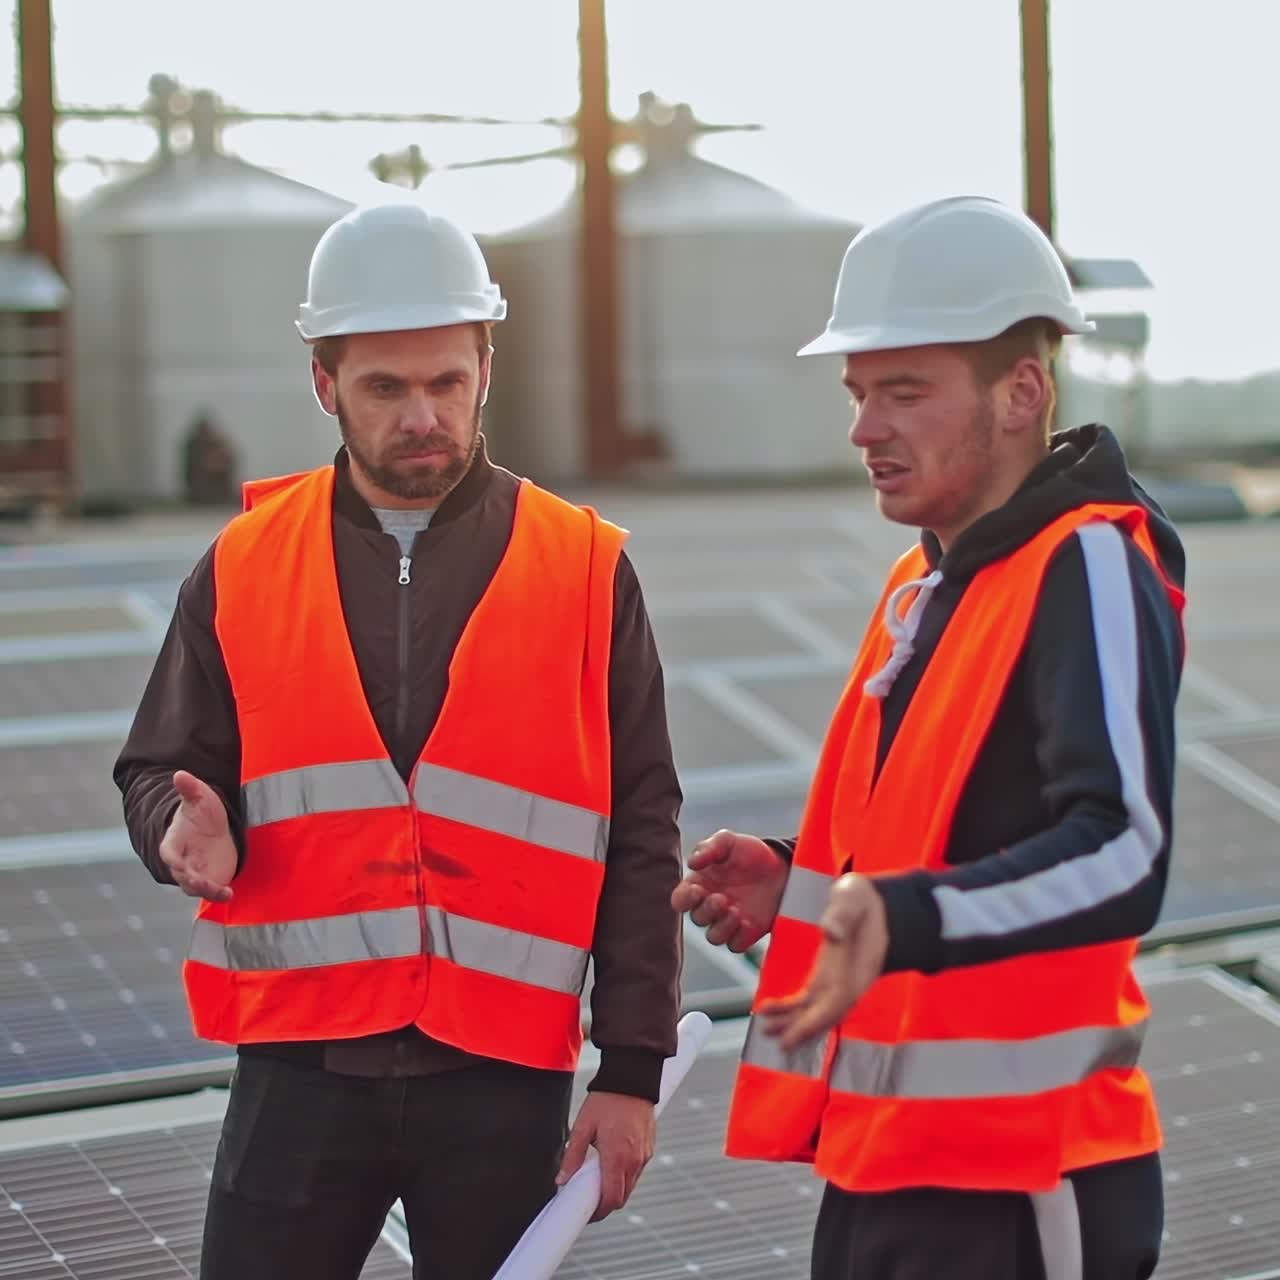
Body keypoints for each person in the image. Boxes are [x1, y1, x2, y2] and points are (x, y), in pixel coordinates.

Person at [115, 202, 683, 1280]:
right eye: (385, 387)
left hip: (500, 1076)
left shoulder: (585, 571)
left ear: (485, 368)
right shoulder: (241, 566)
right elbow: (156, 767)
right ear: (324, 384)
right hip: (300, 1065)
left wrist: (632, 1068)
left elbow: (643, 828)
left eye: (444, 381)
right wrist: (180, 835)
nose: (421, 414)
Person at [673, 196, 1185, 1280]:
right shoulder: (927, 579)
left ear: (1022, 391)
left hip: (1023, 1179)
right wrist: (795, 879)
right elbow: (938, 833)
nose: (863, 427)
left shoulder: (1084, 560)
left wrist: (901, 913)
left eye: (903, 392)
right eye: (857, 394)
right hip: (894, 1165)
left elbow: (1122, 849)